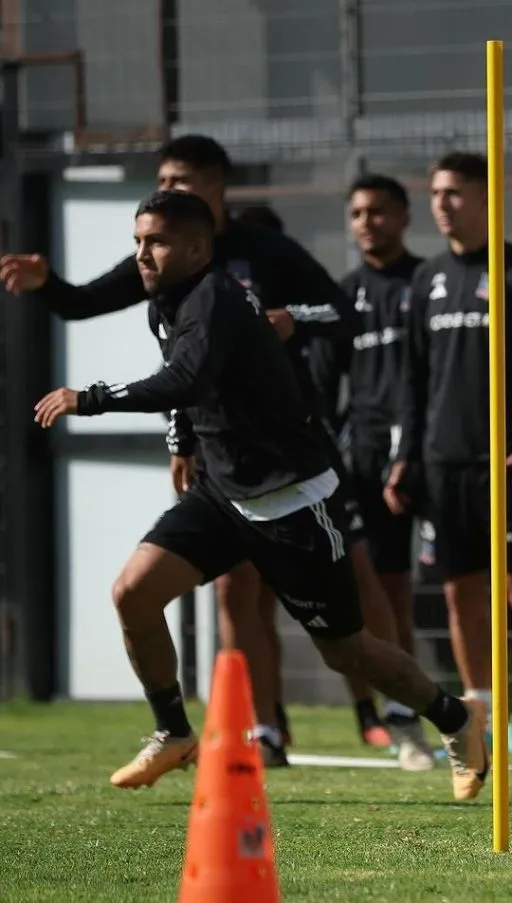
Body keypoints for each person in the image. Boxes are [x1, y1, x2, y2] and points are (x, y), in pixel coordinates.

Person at [30, 189, 489, 797]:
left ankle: (457, 719)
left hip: (291, 498)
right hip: (222, 493)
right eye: (138, 241)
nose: (142, 254)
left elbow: (185, 377)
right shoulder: (162, 300)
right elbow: (190, 389)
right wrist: (183, 441)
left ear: (197, 247)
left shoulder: (217, 296)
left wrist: (88, 398)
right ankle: (173, 731)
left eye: (156, 242)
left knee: (347, 651)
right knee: (133, 593)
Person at [0, 135, 411, 768]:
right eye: (163, 176)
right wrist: (46, 283)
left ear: (217, 191)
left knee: (352, 594)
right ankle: (262, 729)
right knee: (225, 594)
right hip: (218, 459)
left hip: (293, 451)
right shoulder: (161, 253)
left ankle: (402, 714)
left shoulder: (256, 252)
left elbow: (342, 311)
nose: (169, 188)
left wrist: (289, 317)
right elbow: (93, 308)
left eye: (183, 179)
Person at [385, 152, 512, 762]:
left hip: (511, 468)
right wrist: (404, 457)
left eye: (457, 192)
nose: (444, 203)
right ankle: (480, 718)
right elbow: (411, 381)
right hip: (445, 468)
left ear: (486, 198)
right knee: (460, 596)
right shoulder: (428, 279)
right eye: (437, 192)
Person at [234, 200, 432, 769]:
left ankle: (402, 714)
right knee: (241, 594)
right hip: (240, 469)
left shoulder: (311, 305)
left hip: (327, 463)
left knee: (368, 581)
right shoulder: (203, 307)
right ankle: (267, 725)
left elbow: (333, 347)